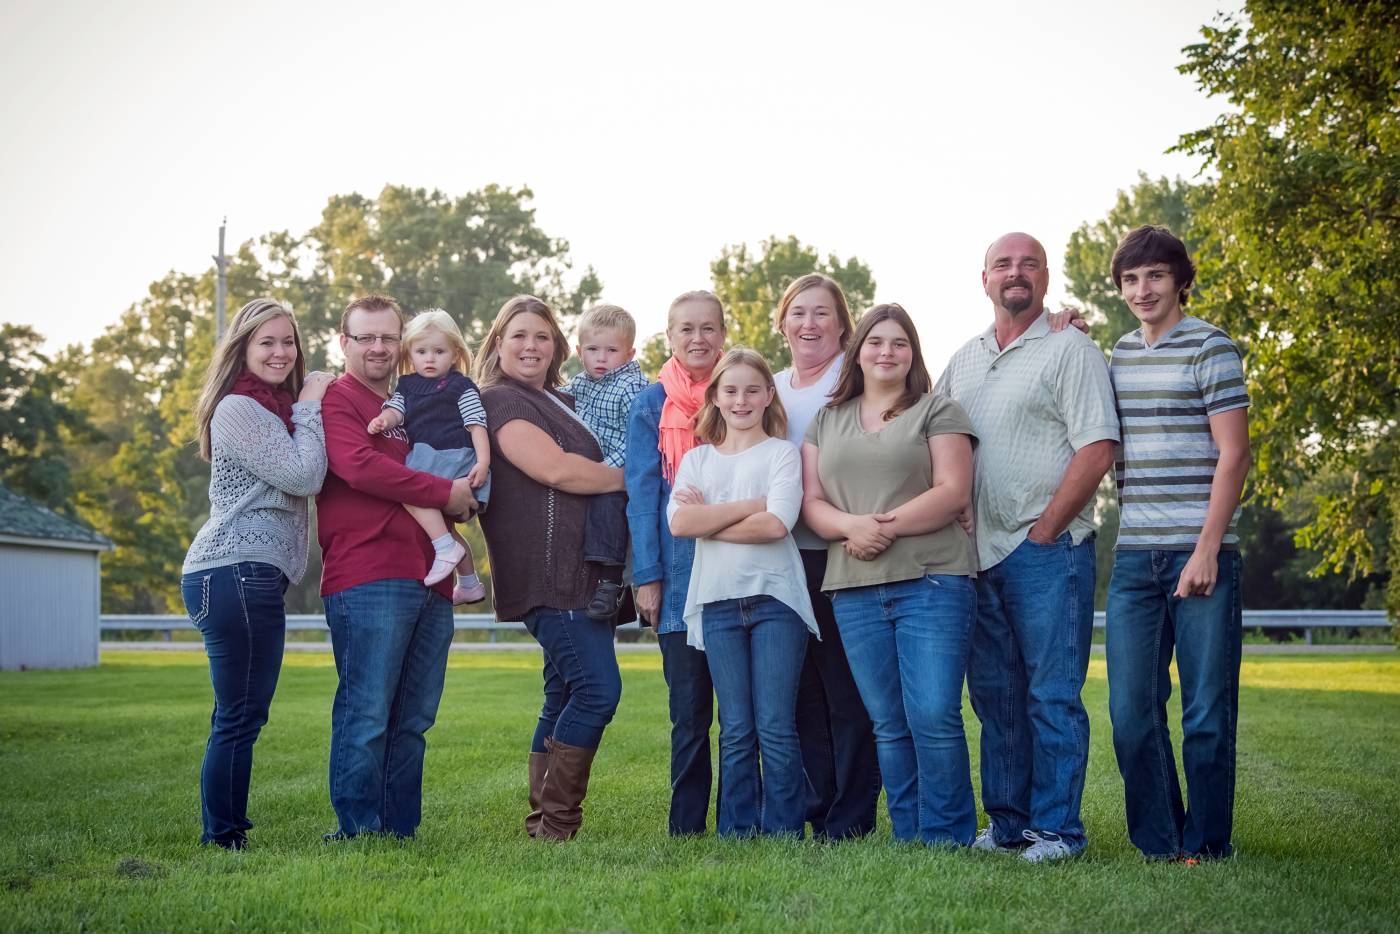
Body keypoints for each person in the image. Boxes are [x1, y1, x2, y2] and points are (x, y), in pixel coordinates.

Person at [936, 233, 1119, 862]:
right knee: (996, 700)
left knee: (1051, 696)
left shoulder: (1072, 348)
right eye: (1003, 264)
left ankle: (1058, 831)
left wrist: (1044, 532)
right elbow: (932, 441)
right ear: (983, 279)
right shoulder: (963, 359)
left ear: (1045, 277)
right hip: (975, 557)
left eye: (1029, 264)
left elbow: (1097, 447)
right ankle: (1009, 824)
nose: (1016, 274)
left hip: (1046, 552)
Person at [802, 304, 980, 846]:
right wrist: (851, 526)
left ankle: (947, 835)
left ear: (913, 354)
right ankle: (910, 833)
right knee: (887, 720)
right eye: (876, 341)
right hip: (853, 589)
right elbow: (811, 501)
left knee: (932, 713)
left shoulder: (937, 410)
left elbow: (953, 491)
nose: (887, 351)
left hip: (932, 580)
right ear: (857, 353)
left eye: (899, 343)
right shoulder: (827, 420)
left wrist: (880, 527)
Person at [1104, 225, 1251, 861]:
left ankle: (1208, 845)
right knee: (1132, 714)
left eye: (1156, 276)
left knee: (1206, 716)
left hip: (1202, 554)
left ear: (1179, 280)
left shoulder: (1211, 346)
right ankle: (1163, 844)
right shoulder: (1118, 354)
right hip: (1135, 557)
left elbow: (1235, 453)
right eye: (1132, 279)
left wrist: (1207, 548)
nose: (1144, 289)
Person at [318, 294, 480, 840]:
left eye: (389, 337)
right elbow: (360, 468)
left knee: (413, 719)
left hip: (431, 575)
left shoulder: (410, 404)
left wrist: (466, 496)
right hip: (368, 574)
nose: (379, 347)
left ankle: (398, 830)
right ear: (345, 344)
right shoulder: (339, 401)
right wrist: (445, 491)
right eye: (367, 338)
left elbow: (453, 459)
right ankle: (358, 830)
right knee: (366, 713)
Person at [181, 298, 331, 849]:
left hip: (245, 574)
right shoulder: (238, 410)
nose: (280, 352)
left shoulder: (275, 408)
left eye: (288, 341)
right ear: (242, 349)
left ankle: (225, 830)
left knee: (242, 713)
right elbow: (303, 474)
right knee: (240, 715)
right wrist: (312, 405)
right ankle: (223, 836)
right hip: (233, 569)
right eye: (266, 342)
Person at [476, 295, 627, 841]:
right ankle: (558, 824)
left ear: (556, 347)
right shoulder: (499, 401)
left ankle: (543, 820)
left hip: (582, 572)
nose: (531, 345)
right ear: (498, 343)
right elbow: (557, 471)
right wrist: (633, 477)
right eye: (518, 335)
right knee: (597, 691)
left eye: (542, 336)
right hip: (550, 575)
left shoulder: (562, 400)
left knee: (564, 692)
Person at [668, 348, 817, 837]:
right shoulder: (697, 460)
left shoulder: (780, 453)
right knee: (735, 730)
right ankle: (737, 830)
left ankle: (783, 830)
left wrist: (710, 520)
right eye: (730, 390)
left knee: (774, 725)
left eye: (753, 389)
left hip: (777, 600)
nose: (741, 400)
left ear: (768, 394)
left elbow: (777, 524)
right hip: (718, 603)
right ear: (715, 396)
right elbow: (679, 522)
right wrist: (748, 506)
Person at [772, 273, 881, 840]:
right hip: (780, 556)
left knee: (847, 691)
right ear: (782, 323)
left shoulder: (857, 381)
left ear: (844, 324)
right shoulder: (767, 386)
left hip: (843, 552)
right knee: (801, 694)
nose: (809, 324)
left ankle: (853, 816)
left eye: (822, 313)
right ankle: (817, 808)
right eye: (799, 313)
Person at [626, 289, 727, 835]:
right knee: (689, 716)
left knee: (740, 716)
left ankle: (741, 820)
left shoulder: (741, 393)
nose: (697, 338)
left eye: (708, 328)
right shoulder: (650, 404)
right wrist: (647, 576)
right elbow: (641, 496)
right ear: (669, 338)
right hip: (676, 576)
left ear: (723, 334)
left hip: (737, 573)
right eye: (686, 329)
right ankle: (686, 825)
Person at [367, 308, 491, 603]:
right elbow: (398, 410)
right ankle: (470, 583)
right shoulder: (407, 385)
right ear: (410, 354)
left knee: (409, 488)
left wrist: (484, 461)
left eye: (439, 351)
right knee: (437, 522)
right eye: (421, 351)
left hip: (453, 456)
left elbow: (477, 425)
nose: (430, 358)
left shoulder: (461, 387)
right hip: (431, 457)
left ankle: (445, 548)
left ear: (455, 353)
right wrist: (385, 419)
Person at [564, 303, 650, 618]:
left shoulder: (632, 386)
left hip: (619, 470)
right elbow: (557, 399)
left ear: (629, 353)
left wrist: (607, 470)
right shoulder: (581, 383)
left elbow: (639, 436)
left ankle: (611, 581)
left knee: (609, 505)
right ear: (579, 351)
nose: (601, 358)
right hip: (590, 471)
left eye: (612, 350)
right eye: (592, 349)